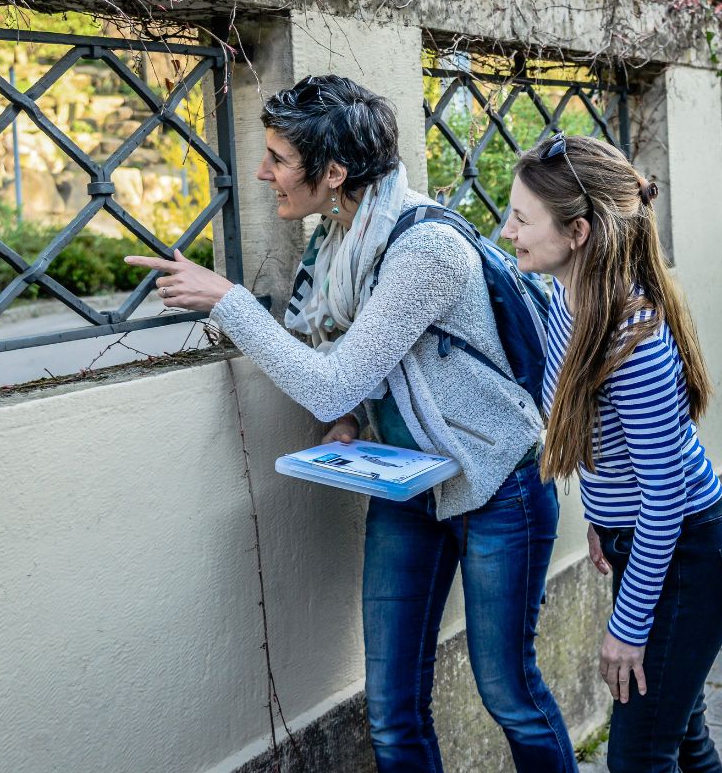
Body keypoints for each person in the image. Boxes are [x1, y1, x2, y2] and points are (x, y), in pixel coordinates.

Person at [127, 75, 576, 773]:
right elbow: (343, 363)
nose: (262, 171)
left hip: (499, 487)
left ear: (334, 172)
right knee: (391, 714)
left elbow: (334, 372)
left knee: (508, 694)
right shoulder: (337, 239)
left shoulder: (423, 249)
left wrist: (231, 302)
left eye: (278, 156)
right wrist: (348, 417)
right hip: (409, 486)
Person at [502, 133, 722, 773]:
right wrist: (601, 517)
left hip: (690, 553)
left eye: (523, 219)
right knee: (683, 739)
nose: (508, 232)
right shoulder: (568, 299)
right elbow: (610, 445)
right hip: (643, 539)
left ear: (579, 231)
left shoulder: (632, 337)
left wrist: (628, 629)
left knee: (638, 757)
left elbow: (666, 495)